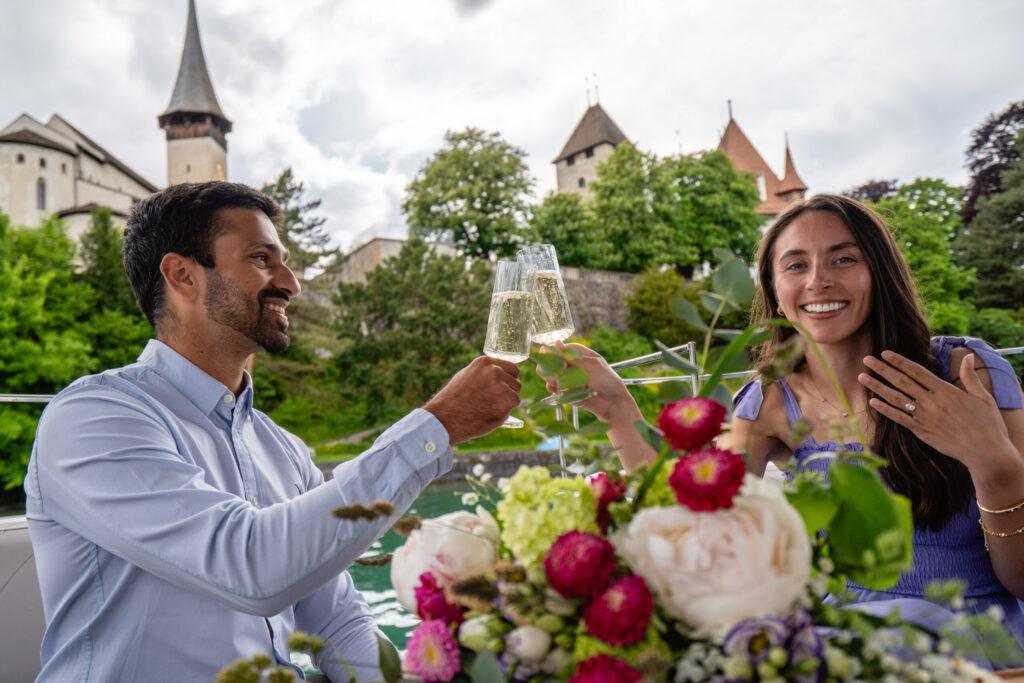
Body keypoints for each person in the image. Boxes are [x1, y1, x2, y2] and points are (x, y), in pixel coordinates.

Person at [24, 182, 521, 682]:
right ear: (183, 275)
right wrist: (436, 426)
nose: (292, 283)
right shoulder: (94, 418)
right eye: (262, 259)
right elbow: (251, 567)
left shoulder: (281, 447)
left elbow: (335, 618)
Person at [539, 194, 1024, 663]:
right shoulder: (770, 402)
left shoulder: (966, 373)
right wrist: (621, 414)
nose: (818, 281)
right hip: (836, 639)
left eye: (843, 259)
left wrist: (993, 464)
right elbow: (696, 528)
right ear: (774, 290)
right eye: (795, 265)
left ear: (881, 272)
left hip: (966, 640)